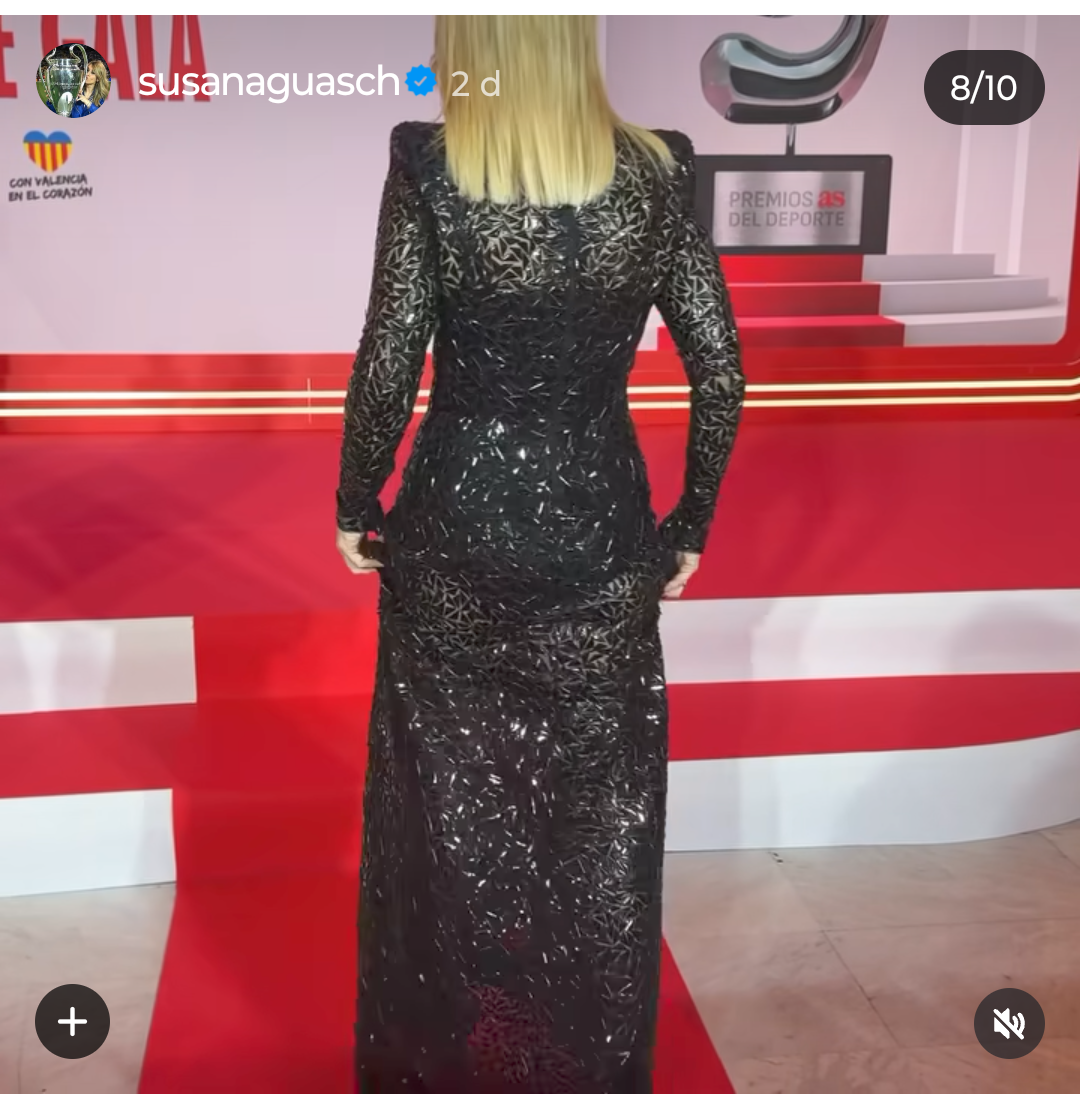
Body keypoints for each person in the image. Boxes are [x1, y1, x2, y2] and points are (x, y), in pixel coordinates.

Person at [334, 14, 744, 1093]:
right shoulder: (658, 174)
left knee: (444, 820)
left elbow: (390, 354)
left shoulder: (431, 167)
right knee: (595, 827)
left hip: (451, 536)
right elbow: (720, 368)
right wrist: (690, 525)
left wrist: (354, 500)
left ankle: (444, 1067)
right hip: (602, 539)